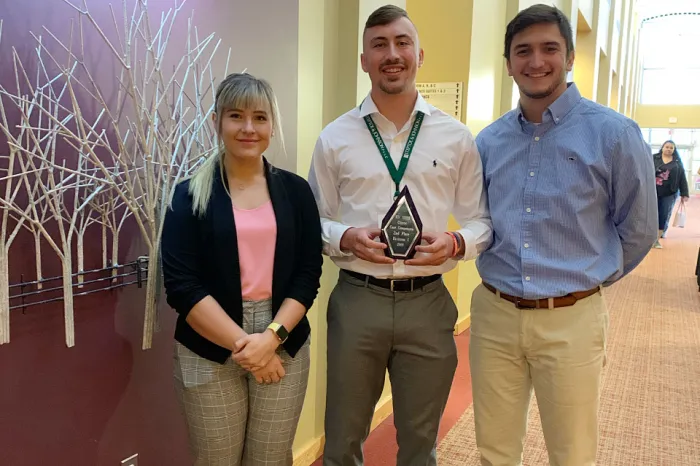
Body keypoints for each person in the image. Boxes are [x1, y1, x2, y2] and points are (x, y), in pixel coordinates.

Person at [471, 5, 657, 466]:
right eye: (523, 51)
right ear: (508, 62)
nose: (536, 61)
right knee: (494, 450)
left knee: (571, 453)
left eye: (549, 48)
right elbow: (480, 220)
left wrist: (585, 281)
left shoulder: (613, 134)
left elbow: (638, 229)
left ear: (570, 57)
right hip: (494, 315)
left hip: (571, 318)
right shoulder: (489, 142)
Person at [308, 5, 492, 466]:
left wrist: (455, 243)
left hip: (428, 303)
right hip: (357, 300)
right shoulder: (335, 138)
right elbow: (313, 219)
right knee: (342, 441)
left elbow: (482, 222)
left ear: (419, 54)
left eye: (402, 43)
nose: (392, 54)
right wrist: (346, 236)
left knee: (418, 444)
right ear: (364, 60)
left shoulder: (456, 138)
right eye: (379, 45)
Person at [161, 72, 323, 466]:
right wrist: (248, 347)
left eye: (260, 118)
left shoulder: (296, 191)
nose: (248, 128)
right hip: (209, 342)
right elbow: (182, 287)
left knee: (270, 458)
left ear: (272, 125)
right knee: (217, 459)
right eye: (236, 116)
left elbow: (308, 273)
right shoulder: (187, 196)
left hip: (282, 336)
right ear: (217, 121)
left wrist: (270, 339)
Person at [654, 140, 689, 246]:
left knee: (664, 214)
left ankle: (657, 238)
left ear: (674, 150)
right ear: (662, 147)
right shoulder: (653, 158)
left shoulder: (677, 162)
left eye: (671, 148)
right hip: (653, 191)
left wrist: (684, 193)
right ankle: (650, 236)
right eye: (667, 147)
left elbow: (682, 177)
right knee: (652, 214)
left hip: (670, 193)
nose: (669, 149)